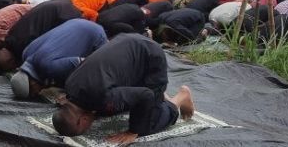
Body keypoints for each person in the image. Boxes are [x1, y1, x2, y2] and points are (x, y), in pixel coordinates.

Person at [52, 33, 195, 142]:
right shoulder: (70, 86)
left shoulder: (102, 96)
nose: (87, 129)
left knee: (147, 124)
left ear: (82, 120)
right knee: (108, 109)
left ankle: (180, 97)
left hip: (150, 57)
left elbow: (145, 95)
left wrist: (133, 131)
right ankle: (160, 93)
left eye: (82, 130)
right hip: (126, 44)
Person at [10, 19, 108, 99]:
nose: (38, 93)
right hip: (76, 23)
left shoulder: (50, 67)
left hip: (94, 35)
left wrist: (71, 96)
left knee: (103, 73)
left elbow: (85, 64)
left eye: (34, 93)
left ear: (32, 83)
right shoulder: (26, 54)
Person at [0, 0, 83, 72]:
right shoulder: (9, 37)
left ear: (11, 63)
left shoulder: (23, 48)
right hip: (57, 4)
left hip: (63, 14)